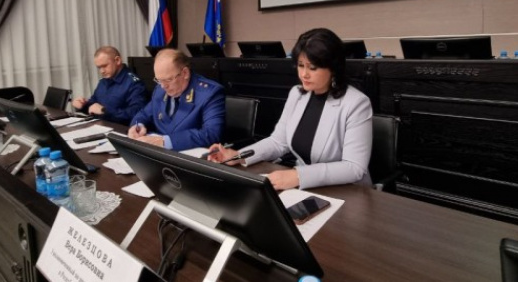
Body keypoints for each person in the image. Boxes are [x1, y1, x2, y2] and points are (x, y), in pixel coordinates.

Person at [207, 28, 373, 190]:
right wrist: (238, 156)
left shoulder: (356, 103)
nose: (304, 74)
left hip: (348, 191)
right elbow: (278, 142)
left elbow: (354, 167)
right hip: (307, 187)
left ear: (333, 68)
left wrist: (298, 176)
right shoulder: (297, 94)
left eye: (312, 68)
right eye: (301, 65)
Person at [128, 48, 225, 151]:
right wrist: (138, 126)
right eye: (159, 80)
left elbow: (211, 134)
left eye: (168, 79)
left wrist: (164, 142)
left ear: (185, 73)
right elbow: (144, 114)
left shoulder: (209, 93)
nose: (163, 86)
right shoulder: (160, 89)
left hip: (187, 156)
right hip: (157, 153)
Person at [72, 46, 146, 124]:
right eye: (99, 67)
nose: (102, 71)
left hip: (121, 128)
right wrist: (83, 106)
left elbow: (136, 113)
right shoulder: (104, 81)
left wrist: (105, 111)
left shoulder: (134, 83)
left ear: (117, 60)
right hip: (101, 125)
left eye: (104, 66)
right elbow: (94, 104)